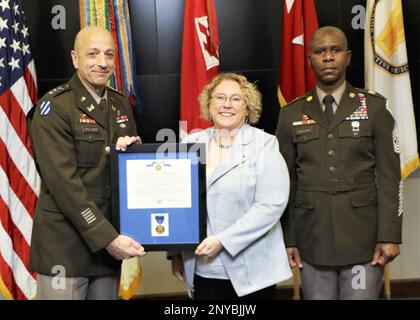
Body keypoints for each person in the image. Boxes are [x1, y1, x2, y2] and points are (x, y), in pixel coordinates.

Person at [276, 26, 402, 300]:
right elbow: (286, 184)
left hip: (364, 241)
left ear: (347, 56)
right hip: (313, 242)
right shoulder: (291, 114)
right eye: (320, 51)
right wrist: (290, 239)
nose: (328, 57)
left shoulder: (375, 108)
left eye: (335, 50)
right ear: (309, 59)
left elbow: (390, 178)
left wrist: (390, 235)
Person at [28, 26, 146, 300]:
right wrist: (108, 238)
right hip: (65, 247)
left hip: (107, 247)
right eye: (92, 54)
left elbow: (122, 174)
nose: (102, 63)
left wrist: (131, 156)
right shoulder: (54, 108)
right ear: (75, 58)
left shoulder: (120, 105)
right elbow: (64, 185)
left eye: (109, 55)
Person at [170, 73, 292, 300]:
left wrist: (223, 240)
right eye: (220, 98)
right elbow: (176, 201)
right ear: (209, 104)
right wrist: (175, 252)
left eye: (236, 99)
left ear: (248, 107)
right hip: (202, 269)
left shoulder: (264, 144)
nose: (227, 104)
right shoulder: (190, 144)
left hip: (253, 270)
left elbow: (271, 205)